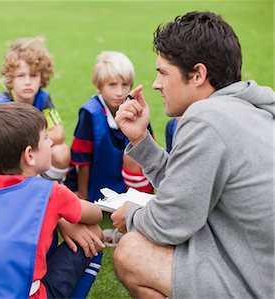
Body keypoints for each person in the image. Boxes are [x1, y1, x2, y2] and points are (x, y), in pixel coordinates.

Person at [112, 11, 274, 298]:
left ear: (198, 74)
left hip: (256, 283)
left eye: (163, 72)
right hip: (257, 265)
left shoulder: (205, 117)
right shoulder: (249, 108)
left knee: (131, 250)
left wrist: (131, 216)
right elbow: (188, 188)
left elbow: (169, 223)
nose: (155, 84)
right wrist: (140, 138)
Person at [0, 102, 104, 299]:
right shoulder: (50, 192)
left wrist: (59, 218)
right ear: (29, 155)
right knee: (94, 234)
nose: (51, 142)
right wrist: (65, 216)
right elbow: (96, 214)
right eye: (45, 138)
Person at [65, 51, 154, 202]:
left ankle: (141, 201)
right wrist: (83, 196)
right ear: (98, 86)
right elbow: (82, 159)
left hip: (127, 180)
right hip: (95, 179)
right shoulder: (90, 112)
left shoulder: (137, 110)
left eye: (125, 85)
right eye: (112, 85)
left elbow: (150, 153)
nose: (119, 92)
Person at [0, 36, 71, 181]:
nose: (28, 82)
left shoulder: (42, 98)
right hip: (12, 162)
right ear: (11, 78)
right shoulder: (2, 104)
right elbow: (4, 144)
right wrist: (38, 141)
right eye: (21, 76)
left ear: (42, 77)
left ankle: (50, 189)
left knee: (62, 152)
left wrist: (33, 144)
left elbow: (58, 134)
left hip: (34, 153)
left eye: (33, 76)